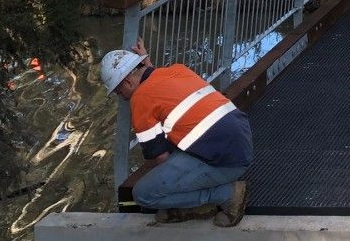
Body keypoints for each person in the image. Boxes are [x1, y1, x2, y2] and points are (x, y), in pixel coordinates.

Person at [100, 40, 253, 226]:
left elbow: (160, 158)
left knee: (144, 194)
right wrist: (147, 65)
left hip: (227, 165)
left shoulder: (139, 100)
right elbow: (156, 85)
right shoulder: (177, 70)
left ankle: (226, 195)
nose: (121, 97)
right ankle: (199, 201)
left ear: (127, 81)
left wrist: (169, 186)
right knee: (174, 144)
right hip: (242, 144)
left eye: (118, 91)